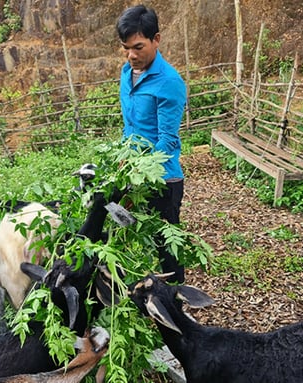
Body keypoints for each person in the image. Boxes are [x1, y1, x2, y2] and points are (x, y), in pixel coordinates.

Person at [116, 4, 187, 283]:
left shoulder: (169, 82)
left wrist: (140, 171)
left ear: (156, 39)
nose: (131, 55)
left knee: (167, 251)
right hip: (130, 173)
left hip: (161, 182)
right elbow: (130, 128)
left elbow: (167, 141)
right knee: (130, 237)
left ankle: (177, 310)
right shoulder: (126, 72)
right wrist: (123, 160)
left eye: (138, 47)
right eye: (125, 48)